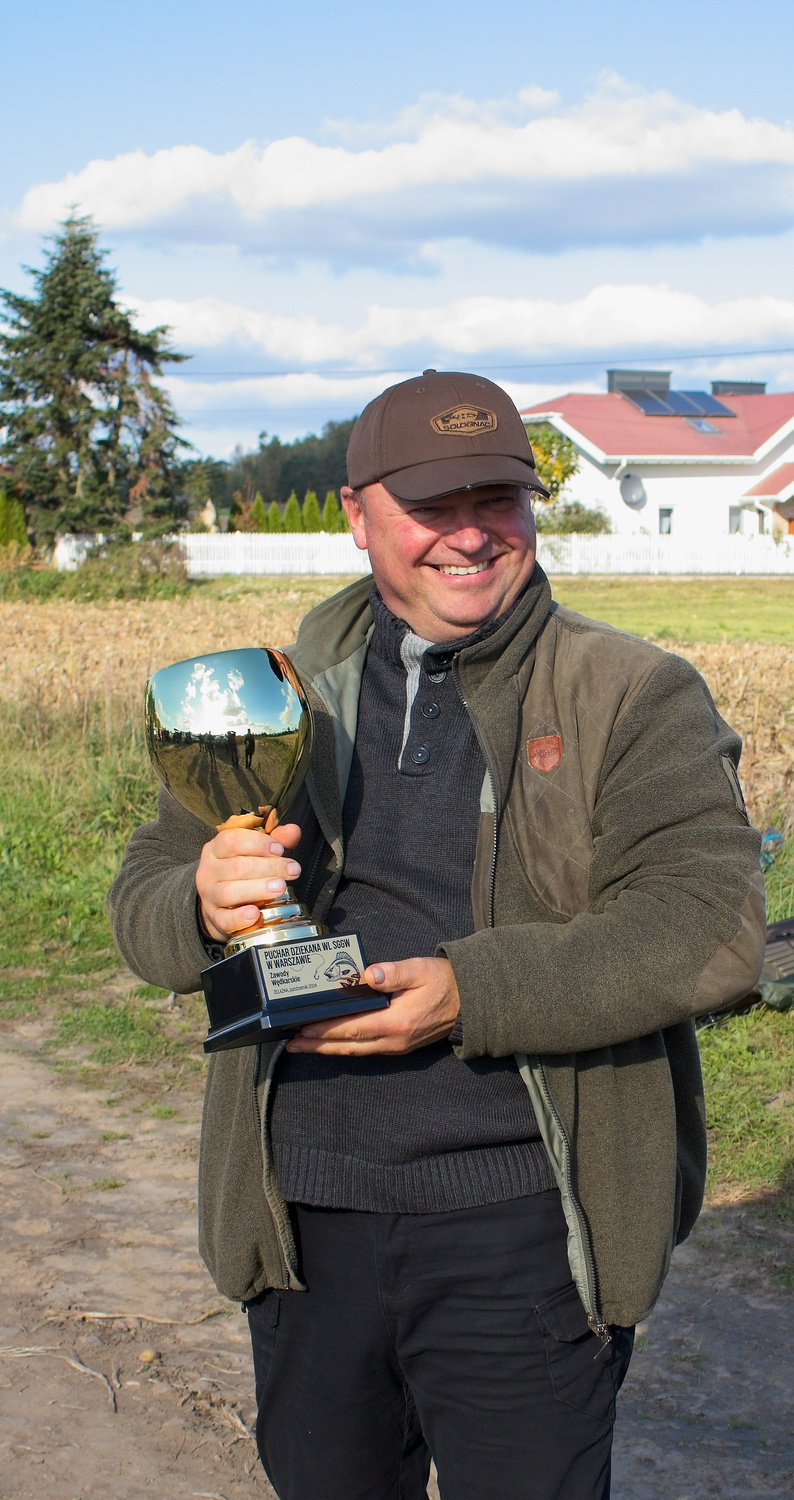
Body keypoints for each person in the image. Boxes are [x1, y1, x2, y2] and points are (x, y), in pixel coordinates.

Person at [108, 370, 765, 1500]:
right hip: (301, 1217)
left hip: (521, 1226)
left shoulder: (631, 693)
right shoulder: (272, 692)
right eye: (431, 503)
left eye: (495, 499)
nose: (468, 533)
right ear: (357, 514)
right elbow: (144, 894)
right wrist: (201, 900)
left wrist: (473, 992)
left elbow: (705, 927)